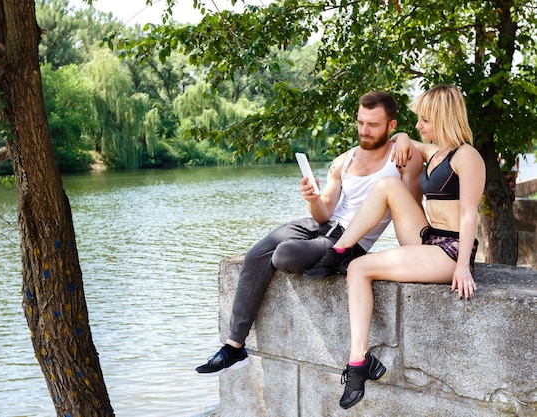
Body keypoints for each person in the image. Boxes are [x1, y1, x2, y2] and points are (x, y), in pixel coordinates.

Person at [194, 91, 424, 376]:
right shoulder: (344, 161)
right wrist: (313, 199)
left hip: (350, 240)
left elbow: (411, 209)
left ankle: (339, 260)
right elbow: (324, 212)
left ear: (391, 125)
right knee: (256, 254)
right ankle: (234, 345)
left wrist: (404, 138)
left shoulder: (402, 158)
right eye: (360, 122)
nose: (364, 131)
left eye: (373, 125)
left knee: (284, 254)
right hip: (322, 226)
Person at [311, 85, 485, 409]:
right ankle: (339, 250)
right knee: (388, 184)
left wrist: (462, 265)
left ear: (444, 118)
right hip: (428, 237)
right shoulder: (437, 152)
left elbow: (469, 213)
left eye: (425, 120)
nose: (419, 125)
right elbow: (408, 139)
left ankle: (358, 363)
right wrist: (403, 136)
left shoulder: (467, 156)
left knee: (360, 268)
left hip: (449, 250)